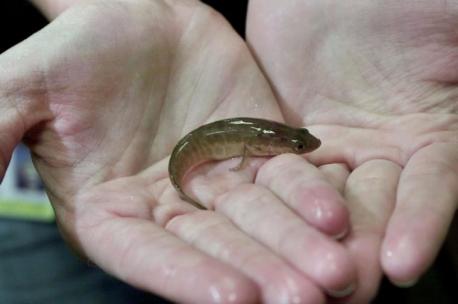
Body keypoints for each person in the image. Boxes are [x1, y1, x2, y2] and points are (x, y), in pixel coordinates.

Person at [0, 0, 456, 303]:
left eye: (295, 144)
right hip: (76, 158)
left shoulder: (268, 136)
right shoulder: (248, 142)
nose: (300, 149)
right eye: (296, 145)